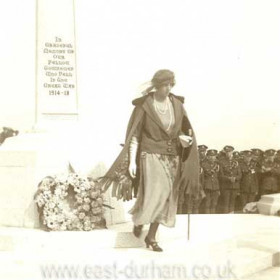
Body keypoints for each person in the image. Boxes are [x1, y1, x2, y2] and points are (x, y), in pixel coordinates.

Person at [98, 69, 202, 251]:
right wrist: (131, 161)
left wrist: (185, 139)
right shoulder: (144, 105)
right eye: (164, 85)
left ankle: (151, 237)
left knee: (168, 197)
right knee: (156, 193)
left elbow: (185, 130)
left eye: (170, 84)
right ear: (156, 86)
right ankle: (140, 220)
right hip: (150, 155)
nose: (168, 88)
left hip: (173, 157)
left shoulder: (177, 104)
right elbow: (135, 135)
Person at [219, 145, 242, 213]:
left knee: (232, 203)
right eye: (227, 152)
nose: (228, 153)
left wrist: (235, 178)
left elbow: (240, 174)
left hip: (234, 186)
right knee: (226, 203)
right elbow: (220, 175)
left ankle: (231, 216)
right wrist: (228, 178)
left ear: (232, 152)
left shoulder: (236, 162)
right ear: (225, 153)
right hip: (226, 186)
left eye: (230, 152)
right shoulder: (221, 162)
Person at [201, 149, 220, 214]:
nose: (212, 158)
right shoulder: (203, 165)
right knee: (207, 204)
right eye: (210, 156)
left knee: (214, 204)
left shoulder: (217, 165)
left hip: (215, 187)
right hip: (207, 187)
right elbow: (203, 177)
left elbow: (219, 177)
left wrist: (218, 188)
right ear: (207, 157)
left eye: (214, 156)